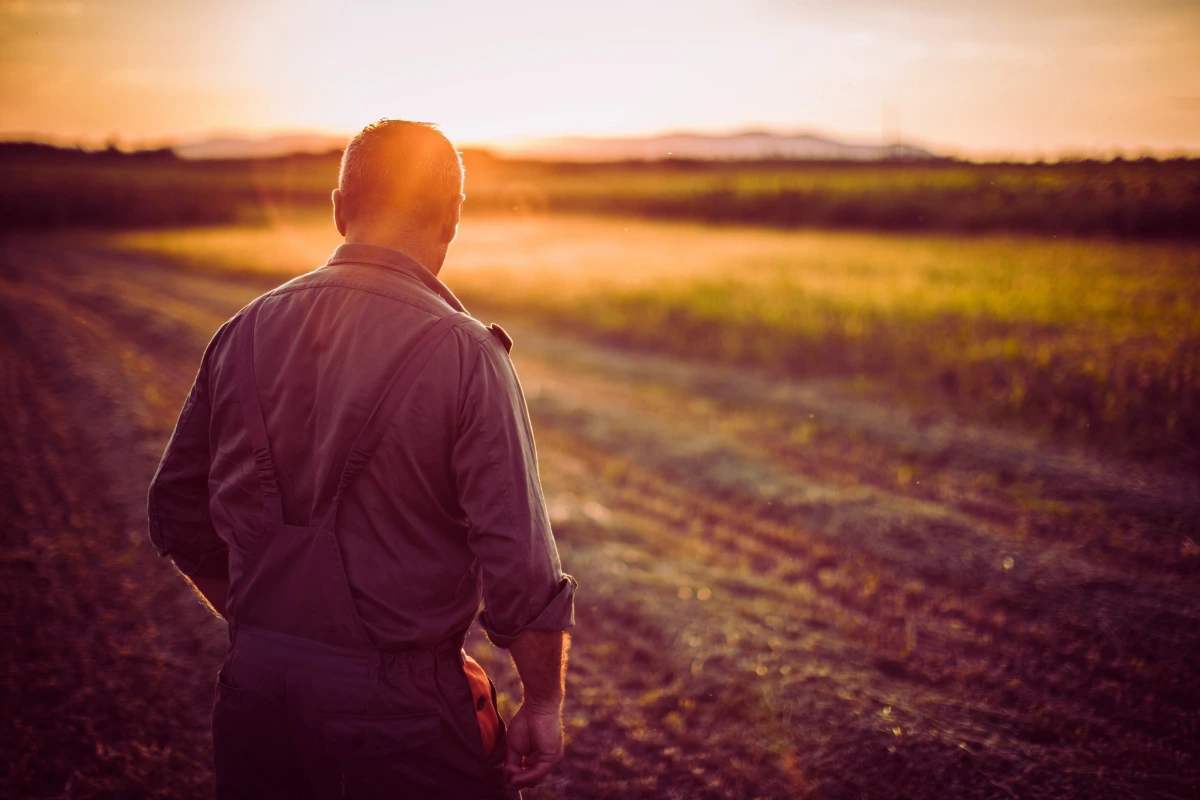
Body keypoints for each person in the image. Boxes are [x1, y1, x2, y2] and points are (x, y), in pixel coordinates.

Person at [147, 119, 577, 799]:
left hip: (253, 693)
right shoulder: (467, 354)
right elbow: (519, 568)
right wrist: (545, 705)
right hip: (401, 721)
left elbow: (175, 509)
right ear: (452, 221)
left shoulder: (242, 331)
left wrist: (277, 631)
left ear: (339, 209)